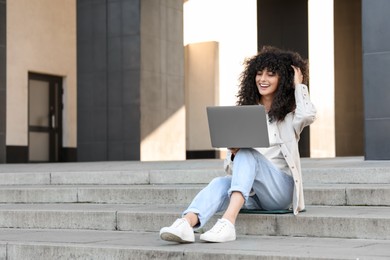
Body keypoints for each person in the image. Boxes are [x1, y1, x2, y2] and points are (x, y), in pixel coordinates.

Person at [159, 46, 317, 243]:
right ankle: (186, 223)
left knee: (248, 153)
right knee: (221, 182)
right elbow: (230, 169)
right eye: (259, 74)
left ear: (283, 79)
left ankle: (228, 222)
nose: (263, 79)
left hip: (279, 190)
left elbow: (308, 115)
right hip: (252, 193)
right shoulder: (245, 114)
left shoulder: (290, 115)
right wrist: (233, 154)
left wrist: (299, 86)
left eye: (271, 74)